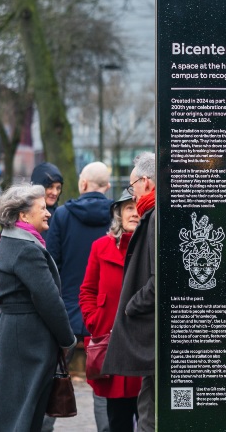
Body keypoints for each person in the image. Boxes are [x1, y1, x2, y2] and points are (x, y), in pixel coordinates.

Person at [0, 184, 76, 431]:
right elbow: (50, 301)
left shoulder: (11, 241)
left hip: (14, 333)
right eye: (42, 208)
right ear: (23, 215)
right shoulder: (27, 249)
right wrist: (67, 340)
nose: (48, 212)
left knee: (11, 409)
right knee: (24, 415)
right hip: (28, 340)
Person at [45, 162, 114, 431]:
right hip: (104, 314)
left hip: (68, 312)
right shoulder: (116, 216)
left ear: (82, 184)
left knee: (53, 376)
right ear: (107, 187)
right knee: (104, 382)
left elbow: (52, 264)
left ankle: (44, 426)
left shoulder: (61, 215)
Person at [102, 152, 157, 432]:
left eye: (132, 185)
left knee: (149, 415)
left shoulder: (155, 218)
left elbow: (159, 281)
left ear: (146, 182)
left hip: (151, 335)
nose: (131, 193)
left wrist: (131, 305)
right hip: (152, 341)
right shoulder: (154, 215)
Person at [79, 192, 142, 432]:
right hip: (111, 345)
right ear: (118, 214)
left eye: (138, 208)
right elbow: (87, 291)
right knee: (117, 420)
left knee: (146, 417)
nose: (135, 213)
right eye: (128, 208)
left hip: (141, 347)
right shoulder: (100, 247)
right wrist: (95, 321)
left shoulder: (150, 247)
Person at [31, 162, 64, 241]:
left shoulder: (62, 215)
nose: (55, 193)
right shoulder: (26, 215)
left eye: (58, 188)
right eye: (50, 187)